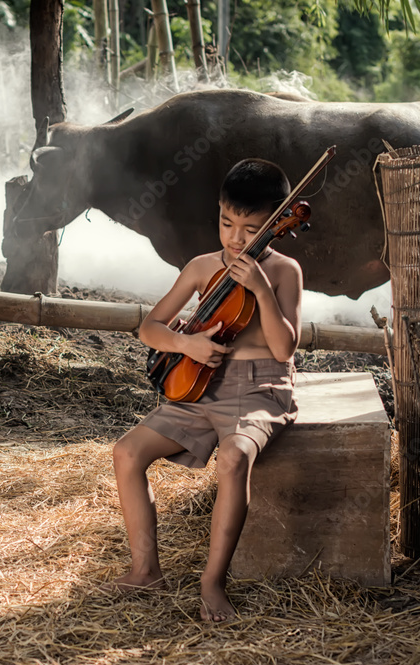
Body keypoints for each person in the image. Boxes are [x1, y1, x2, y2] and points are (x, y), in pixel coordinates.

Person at [106, 158, 302, 623]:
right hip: (199, 387)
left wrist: (261, 290)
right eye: (227, 222)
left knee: (234, 458)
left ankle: (212, 582)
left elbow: (284, 345)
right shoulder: (200, 267)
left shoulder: (284, 270)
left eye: (251, 228)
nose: (236, 238)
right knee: (127, 453)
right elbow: (150, 328)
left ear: (277, 223)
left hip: (260, 389)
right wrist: (185, 343)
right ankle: (145, 568)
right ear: (217, 211)